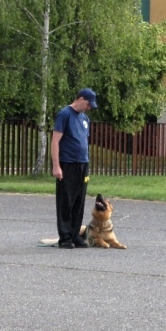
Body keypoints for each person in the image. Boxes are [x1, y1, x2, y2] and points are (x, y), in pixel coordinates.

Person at [51, 88, 97, 249]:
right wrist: (56, 166)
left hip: (82, 163)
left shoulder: (84, 118)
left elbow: (83, 141)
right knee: (66, 201)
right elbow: (55, 141)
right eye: (88, 104)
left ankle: (75, 233)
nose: (89, 108)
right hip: (67, 163)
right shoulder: (65, 114)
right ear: (81, 99)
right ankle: (65, 237)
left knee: (79, 201)